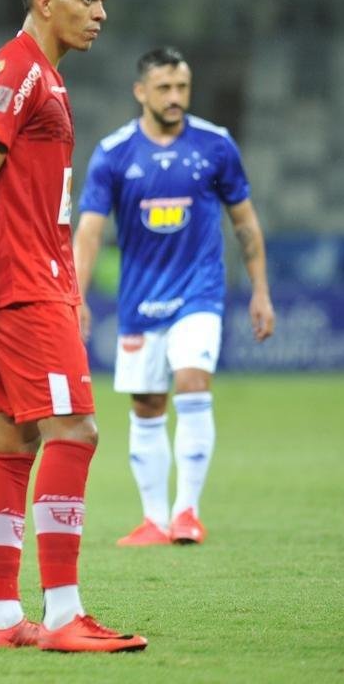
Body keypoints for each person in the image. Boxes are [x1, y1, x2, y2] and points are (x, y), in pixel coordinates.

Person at [0, 0, 147, 652]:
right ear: (45, 0)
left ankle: (3, 618)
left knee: (12, 442)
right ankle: (64, 614)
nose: (101, 12)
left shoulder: (45, 76)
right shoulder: (16, 70)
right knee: (77, 432)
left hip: (27, 280)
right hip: (18, 286)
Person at [73, 47, 274, 547]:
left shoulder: (215, 145)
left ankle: (188, 512)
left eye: (182, 87)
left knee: (191, 381)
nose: (175, 97)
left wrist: (260, 292)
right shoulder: (115, 153)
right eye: (164, 88)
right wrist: (75, 298)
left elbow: (245, 223)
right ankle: (154, 520)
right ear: (141, 92)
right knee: (145, 403)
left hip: (198, 293)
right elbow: (89, 235)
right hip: (140, 300)